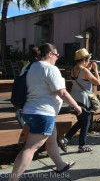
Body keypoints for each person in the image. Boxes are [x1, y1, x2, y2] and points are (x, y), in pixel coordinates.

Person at [9, 43, 82, 181]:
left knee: (51, 139)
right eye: (56, 55)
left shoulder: (28, 67)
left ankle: (60, 165)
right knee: (30, 148)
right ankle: (12, 179)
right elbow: (61, 92)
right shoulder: (50, 68)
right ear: (50, 54)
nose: (57, 57)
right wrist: (76, 106)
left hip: (29, 111)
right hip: (43, 114)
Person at [59, 48, 100, 153]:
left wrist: (88, 69)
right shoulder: (85, 70)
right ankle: (81, 146)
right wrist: (95, 69)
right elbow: (97, 82)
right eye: (88, 59)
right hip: (84, 100)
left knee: (81, 122)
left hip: (74, 99)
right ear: (84, 59)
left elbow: (82, 80)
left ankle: (65, 140)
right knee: (85, 124)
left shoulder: (73, 69)